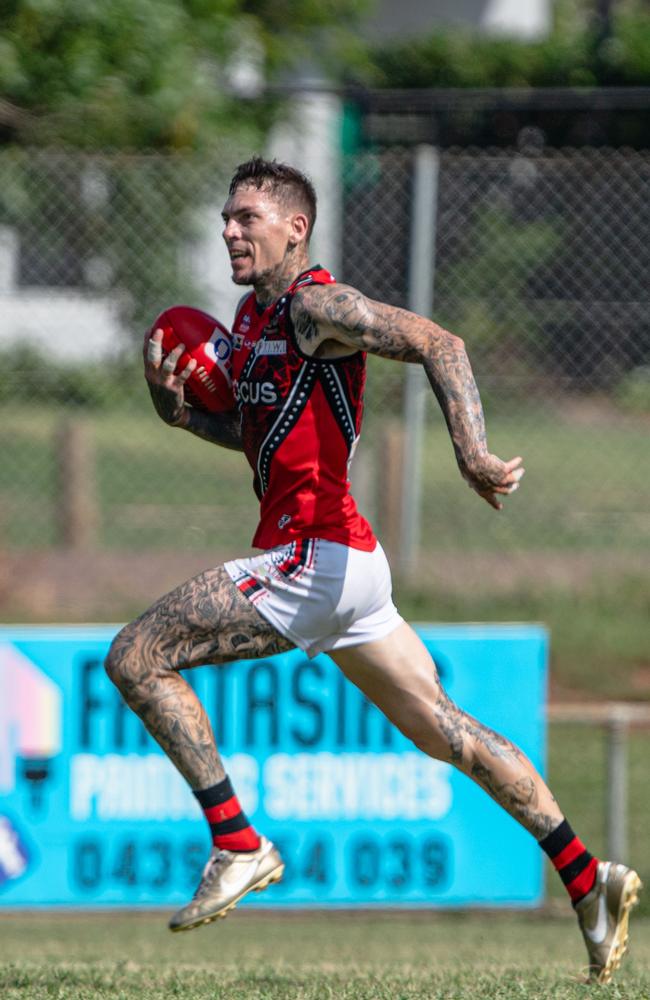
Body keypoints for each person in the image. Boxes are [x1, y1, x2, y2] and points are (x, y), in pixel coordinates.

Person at [105, 157, 641, 984]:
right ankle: (586, 877)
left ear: (296, 228)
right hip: (349, 563)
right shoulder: (252, 319)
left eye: (247, 217)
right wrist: (178, 414)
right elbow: (257, 433)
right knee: (445, 729)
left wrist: (473, 452)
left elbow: (439, 342)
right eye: (226, 216)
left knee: (136, 657)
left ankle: (238, 843)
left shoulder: (317, 304)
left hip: (315, 556)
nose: (229, 230)